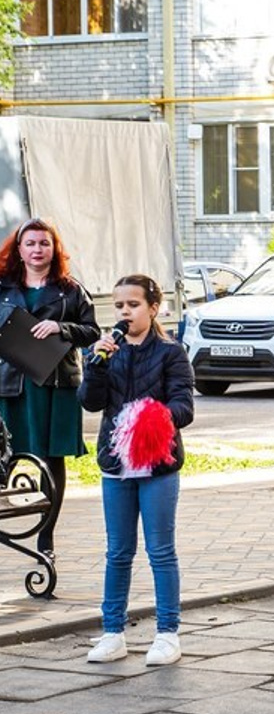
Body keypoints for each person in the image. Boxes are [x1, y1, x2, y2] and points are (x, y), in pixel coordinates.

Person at [80, 274, 194, 665]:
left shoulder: (170, 352)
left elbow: (184, 407)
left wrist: (152, 417)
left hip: (157, 463)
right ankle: (113, 632)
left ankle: (167, 633)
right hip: (116, 463)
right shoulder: (105, 351)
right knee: (118, 551)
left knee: (160, 551)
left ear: (152, 308)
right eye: (119, 306)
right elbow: (91, 403)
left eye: (133, 305)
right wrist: (95, 365)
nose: (125, 312)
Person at [0, 218, 99, 559]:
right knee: (5, 457)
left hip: (55, 385)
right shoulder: (3, 286)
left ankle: (46, 538)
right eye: (30, 243)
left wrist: (61, 327)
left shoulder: (70, 289)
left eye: (44, 243)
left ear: (54, 248)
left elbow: (92, 331)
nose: (37, 249)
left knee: (51, 458)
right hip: (11, 384)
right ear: (19, 249)